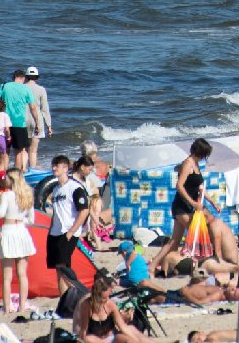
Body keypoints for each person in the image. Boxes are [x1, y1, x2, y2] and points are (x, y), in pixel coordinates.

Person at [148, 139, 213, 275]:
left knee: (174, 241)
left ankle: (156, 265)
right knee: (196, 234)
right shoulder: (188, 164)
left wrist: (212, 202)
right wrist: (193, 203)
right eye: (204, 154)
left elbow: (199, 187)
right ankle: (196, 266)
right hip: (181, 207)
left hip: (188, 207)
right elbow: (179, 186)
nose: (204, 157)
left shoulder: (195, 164)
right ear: (200, 152)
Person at [0, 169, 36, 315]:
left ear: (11, 180)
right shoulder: (28, 195)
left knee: (7, 276)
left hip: (8, 231)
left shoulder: (6, 195)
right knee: (22, 273)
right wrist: (20, 220)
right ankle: (22, 306)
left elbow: (0, 215)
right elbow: (31, 220)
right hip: (22, 232)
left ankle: (7, 308)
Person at [47, 155, 90, 295]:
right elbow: (57, 212)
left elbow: (84, 210)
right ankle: (69, 297)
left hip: (68, 232)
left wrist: (72, 231)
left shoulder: (74, 187)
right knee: (60, 267)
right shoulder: (55, 190)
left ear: (65, 168)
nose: (54, 168)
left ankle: (65, 298)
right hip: (55, 232)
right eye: (53, 165)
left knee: (62, 266)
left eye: (57, 166)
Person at [75, 274, 149, 343]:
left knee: (130, 335)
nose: (106, 300)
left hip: (111, 337)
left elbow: (122, 326)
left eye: (108, 296)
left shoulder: (110, 304)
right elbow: (84, 331)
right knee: (89, 339)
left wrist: (136, 340)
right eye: (104, 298)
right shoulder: (86, 305)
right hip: (95, 339)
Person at [0, 70, 43, 172]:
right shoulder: (26, 89)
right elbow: (33, 108)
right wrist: (37, 123)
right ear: (23, 78)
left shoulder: (4, 86)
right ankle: (16, 177)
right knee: (19, 152)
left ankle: (2, 177)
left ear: (14, 77)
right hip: (19, 124)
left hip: (4, 124)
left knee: (5, 153)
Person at [24, 66, 52, 169]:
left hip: (22, 120)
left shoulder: (21, 88)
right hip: (36, 121)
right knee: (33, 150)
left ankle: (23, 170)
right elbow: (45, 109)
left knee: (24, 149)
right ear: (37, 77)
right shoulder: (41, 89)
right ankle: (32, 170)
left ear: (26, 77)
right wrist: (49, 125)